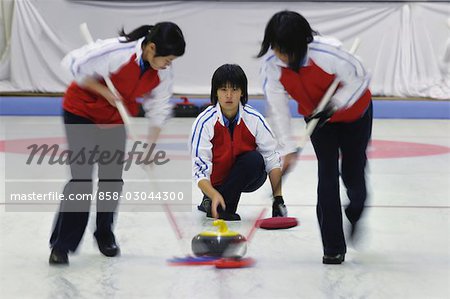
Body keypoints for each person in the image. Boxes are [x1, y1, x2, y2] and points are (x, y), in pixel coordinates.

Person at [49, 22, 186, 265]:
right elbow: (73, 64)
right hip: (81, 112)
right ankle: (62, 245)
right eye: (168, 58)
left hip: (115, 119)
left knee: (112, 180)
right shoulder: (116, 52)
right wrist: (103, 91)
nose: (169, 64)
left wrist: (150, 147)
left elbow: (159, 108)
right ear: (151, 48)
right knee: (81, 180)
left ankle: (104, 234)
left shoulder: (163, 72)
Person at [258, 11, 372, 264]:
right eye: (276, 48)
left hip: (354, 114)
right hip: (319, 121)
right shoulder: (271, 66)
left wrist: (336, 103)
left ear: (302, 43)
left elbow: (362, 77)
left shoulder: (328, 54)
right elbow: (277, 108)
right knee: (327, 176)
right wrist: (287, 148)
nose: (281, 56)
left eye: (287, 50)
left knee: (353, 175)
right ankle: (333, 247)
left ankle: (355, 211)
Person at [191, 64, 287, 221]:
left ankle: (220, 205)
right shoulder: (204, 122)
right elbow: (200, 169)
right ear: (215, 92)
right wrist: (213, 193)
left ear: (242, 92)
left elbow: (272, 158)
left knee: (254, 159)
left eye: (234, 89)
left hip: (247, 177)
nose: (229, 95)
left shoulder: (254, 119)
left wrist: (278, 199)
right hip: (214, 181)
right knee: (214, 189)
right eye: (223, 90)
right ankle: (214, 201)